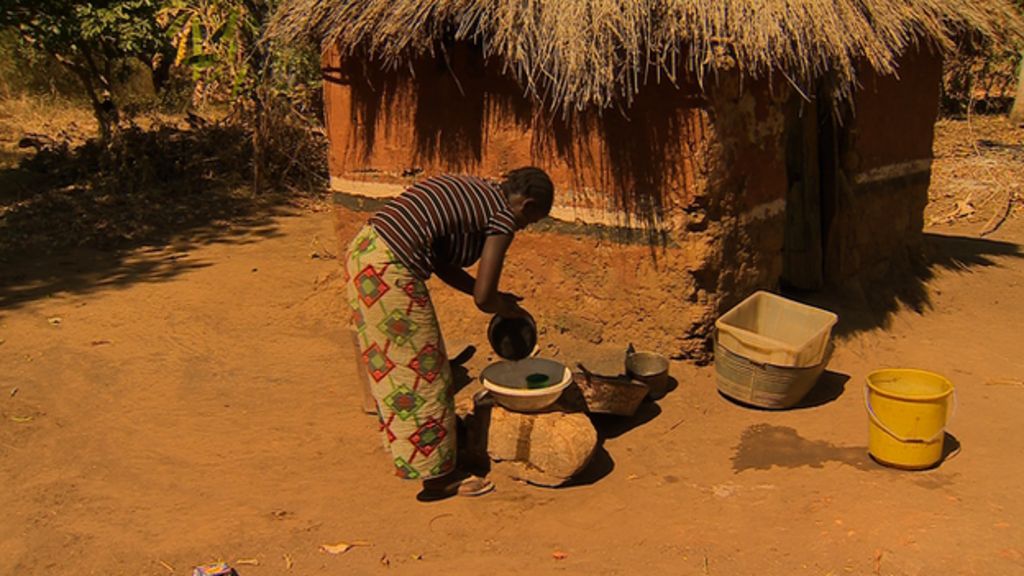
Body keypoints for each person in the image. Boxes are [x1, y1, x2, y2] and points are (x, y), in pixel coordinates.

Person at [343, 167, 554, 501]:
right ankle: (439, 477)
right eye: (531, 221)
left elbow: (442, 264)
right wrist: (504, 308)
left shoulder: (481, 191)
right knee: (425, 374)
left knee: (393, 369)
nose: (525, 227)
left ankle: (408, 446)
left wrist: (495, 301)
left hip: (364, 252)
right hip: (390, 267)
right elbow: (485, 297)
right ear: (526, 206)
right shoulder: (502, 217)